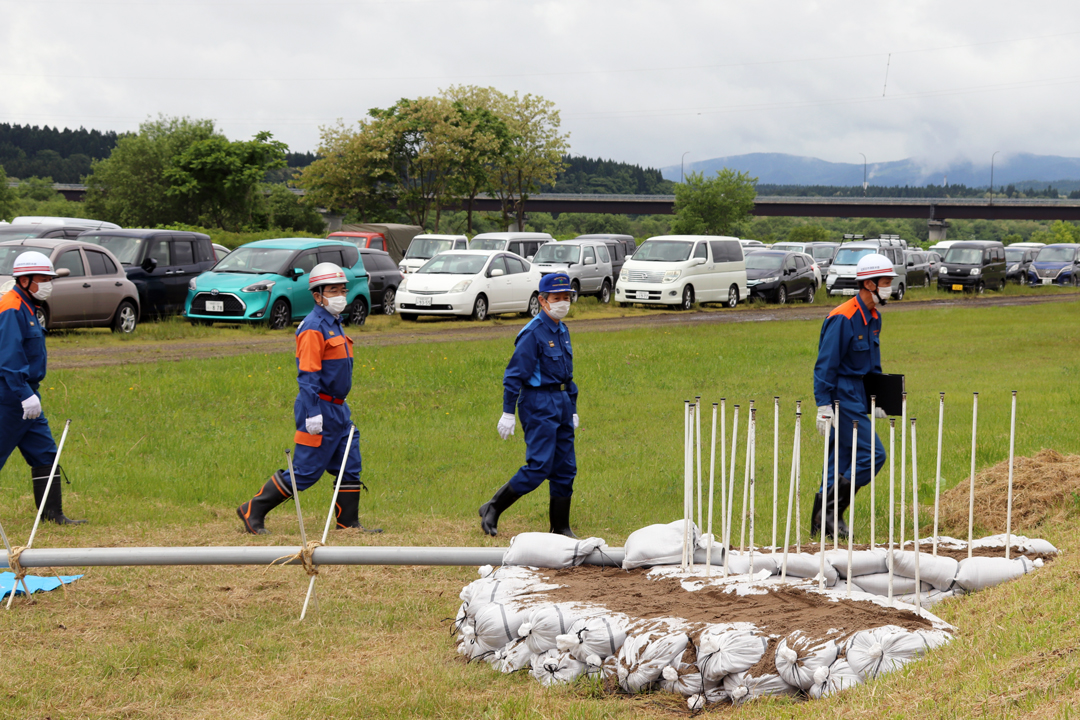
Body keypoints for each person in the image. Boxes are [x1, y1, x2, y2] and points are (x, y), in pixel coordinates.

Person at [237, 263, 380, 535]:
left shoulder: (334, 323)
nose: (341, 295)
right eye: (333, 290)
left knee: (349, 462)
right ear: (317, 295)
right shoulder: (313, 327)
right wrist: (313, 412)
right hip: (318, 408)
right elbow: (308, 374)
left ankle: (347, 523)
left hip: (339, 409)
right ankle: (252, 510)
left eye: (343, 290)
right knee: (305, 471)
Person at [479, 272, 580, 539]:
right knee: (539, 467)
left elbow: (567, 375)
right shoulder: (533, 333)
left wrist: (573, 407)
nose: (563, 303)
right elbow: (514, 376)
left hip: (560, 401)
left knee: (566, 467)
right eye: (556, 298)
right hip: (538, 402)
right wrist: (507, 412)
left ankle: (560, 527)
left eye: (566, 297)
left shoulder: (561, 329)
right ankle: (493, 507)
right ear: (542, 300)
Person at [811, 253, 894, 539]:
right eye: (885, 281)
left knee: (841, 457)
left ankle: (820, 523)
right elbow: (825, 363)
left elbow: (874, 363)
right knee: (874, 455)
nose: (890, 287)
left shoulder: (873, 316)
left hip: (859, 392)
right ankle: (831, 513)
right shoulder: (843, 317)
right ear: (869, 284)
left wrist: (882, 396)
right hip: (841, 394)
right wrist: (822, 403)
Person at [0, 251, 85, 525]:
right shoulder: (11, 307)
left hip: (26, 395)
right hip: (9, 396)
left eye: (49, 278)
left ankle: (52, 515)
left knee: (46, 452)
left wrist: (29, 395)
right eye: (42, 278)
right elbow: (8, 357)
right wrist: (24, 395)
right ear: (24, 280)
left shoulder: (28, 306)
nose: (47, 283)